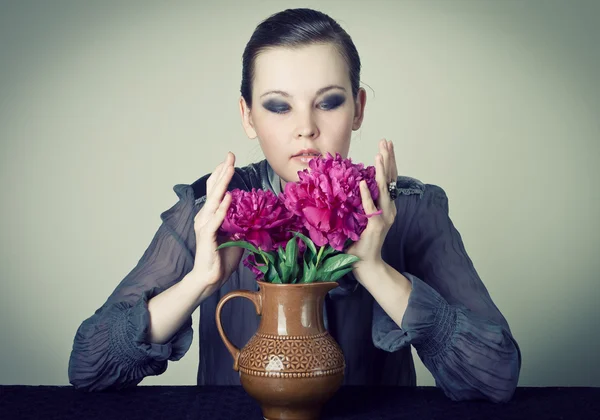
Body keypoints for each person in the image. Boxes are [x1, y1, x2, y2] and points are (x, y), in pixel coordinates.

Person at [68, 8, 521, 402]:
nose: (305, 128)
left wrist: (373, 269)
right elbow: (89, 368)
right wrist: (201, 281)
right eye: (278, 107)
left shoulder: (412, 210)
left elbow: (496, 376)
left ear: (358, 109)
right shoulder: (213, 209)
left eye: (328, 102)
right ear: (248, 116)